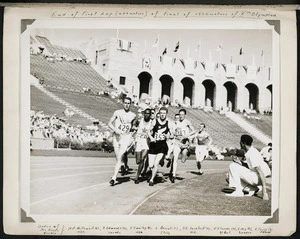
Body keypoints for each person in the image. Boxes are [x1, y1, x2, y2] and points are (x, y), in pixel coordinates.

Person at [225, 134, 271, 199]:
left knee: (232, 166)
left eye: (240, 142)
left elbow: (260, 171)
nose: (239, 144)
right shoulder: (251, 151)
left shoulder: (252, 153)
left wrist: (264, 192)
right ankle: (253, 189)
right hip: (256, 177)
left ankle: (238, 191)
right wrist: (239, 162)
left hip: (257, 178)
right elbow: (251, 167)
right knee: (229, 175)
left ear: (243, 143)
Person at [108, 97, 136, 186]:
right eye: (125, 103)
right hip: (116, 137)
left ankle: (114, 178)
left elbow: (132, 126)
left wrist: (135, 130)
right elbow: (109, 123)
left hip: (125, 138)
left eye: (128, 103)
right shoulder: (117, 112)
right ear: (123, 103)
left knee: (119, 156)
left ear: (130, 104)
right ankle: (124, 165)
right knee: (117, 157)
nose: (127, 105)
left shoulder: (133, 115)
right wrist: (115, 130)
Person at [170, 109, 195, 183]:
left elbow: (194, 131)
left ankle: (187, 153)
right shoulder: (175, 122)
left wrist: (186, 135)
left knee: (183, 160)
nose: (181, 116)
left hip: (185, 143)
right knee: (175, 158)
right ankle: (173, 175)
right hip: (177, 143)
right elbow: (172, 131)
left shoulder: (187, 122)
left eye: (182, 115)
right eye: (180, 114)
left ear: (184, 115)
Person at [147, 107, 170, 186]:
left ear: (166, 114)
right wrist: (151, 138)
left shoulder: (168, 123)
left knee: (156, 163)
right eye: (161, 113)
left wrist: (168, 135)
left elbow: (172, 133)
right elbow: (148, 131)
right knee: (151, 165)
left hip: (162, 145)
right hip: (154, 145)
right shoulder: (154, 122)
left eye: (164, 113)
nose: (162, 115)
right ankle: (156, 175)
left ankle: (152, 179)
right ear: (159, 114)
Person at [133, 108, 152, 184]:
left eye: (148, 113)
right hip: (138, 141)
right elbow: (133, 124)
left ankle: (137, 177)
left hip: (145, 142)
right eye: (146, 113)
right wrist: (134, 127)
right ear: (144, 114)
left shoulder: (151, 122)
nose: (147, 115)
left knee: (142, 159)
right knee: (138, 161)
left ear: (150, 115)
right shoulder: (140, 120)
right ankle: (140, 171)